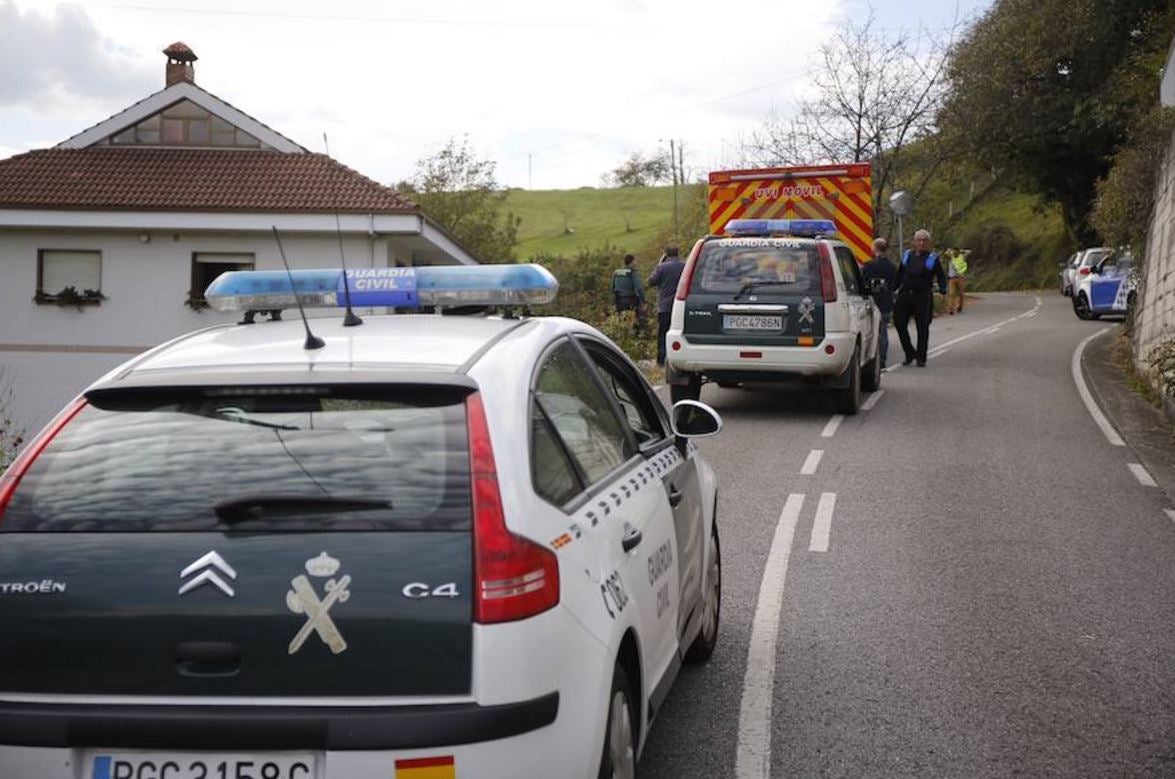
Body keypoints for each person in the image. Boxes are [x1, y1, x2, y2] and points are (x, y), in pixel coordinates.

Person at [893, 228, 947, 367]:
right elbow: (899, 274)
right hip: (905, 295)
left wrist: (942, 290)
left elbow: (941, 276)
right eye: (919, 240)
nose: (921, 243)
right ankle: (910, 352)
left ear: (928, 243)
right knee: (899, 323)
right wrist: (892, 288)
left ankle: (921, 358)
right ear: (914, 242)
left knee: (922, 328)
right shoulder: (907, 256)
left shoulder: (932, 258)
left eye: (924, 240)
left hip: (922, 297)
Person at [647, 246, 686, 366]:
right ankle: (679, 359)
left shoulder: (662, 267)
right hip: (680, 307)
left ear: (666, 254)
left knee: (663, 333)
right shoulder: (684, 266)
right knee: (680, 333)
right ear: (678, 254)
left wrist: (660, 263)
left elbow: (651, 281)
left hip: (664, 306)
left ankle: (661, 360)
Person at [861, 237, 897, 369]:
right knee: (883, 332)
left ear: (875, 248)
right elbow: (895, 285)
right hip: (886, 304)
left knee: (871, 332)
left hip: (871, 304)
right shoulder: (892, 267)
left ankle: (872, 358)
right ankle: (882, 359)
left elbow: (862, 283)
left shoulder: (868, 266)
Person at [611, 254, 645, 331]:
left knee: (622, 321)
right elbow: (639, 288)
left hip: (619, 300)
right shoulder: (632, 273)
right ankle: (635, 336)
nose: (636, 263)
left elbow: (612, 287)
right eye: (635, 261)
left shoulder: (617, 273)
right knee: (635, 320)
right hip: (631, 301)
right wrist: (643, 301)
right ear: (632, 262)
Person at [947, 248, 969, 314]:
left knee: (961, 294)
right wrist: (951, 251)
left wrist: (962, 251)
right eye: (954, 252)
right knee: (951, 294)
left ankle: (960, 306)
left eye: (957, 252)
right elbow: (946, 252)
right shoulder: (951, 257)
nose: (955, 253)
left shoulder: (962, 257)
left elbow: (969, 252)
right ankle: (951, 309)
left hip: (960, 278)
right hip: (952, 278)